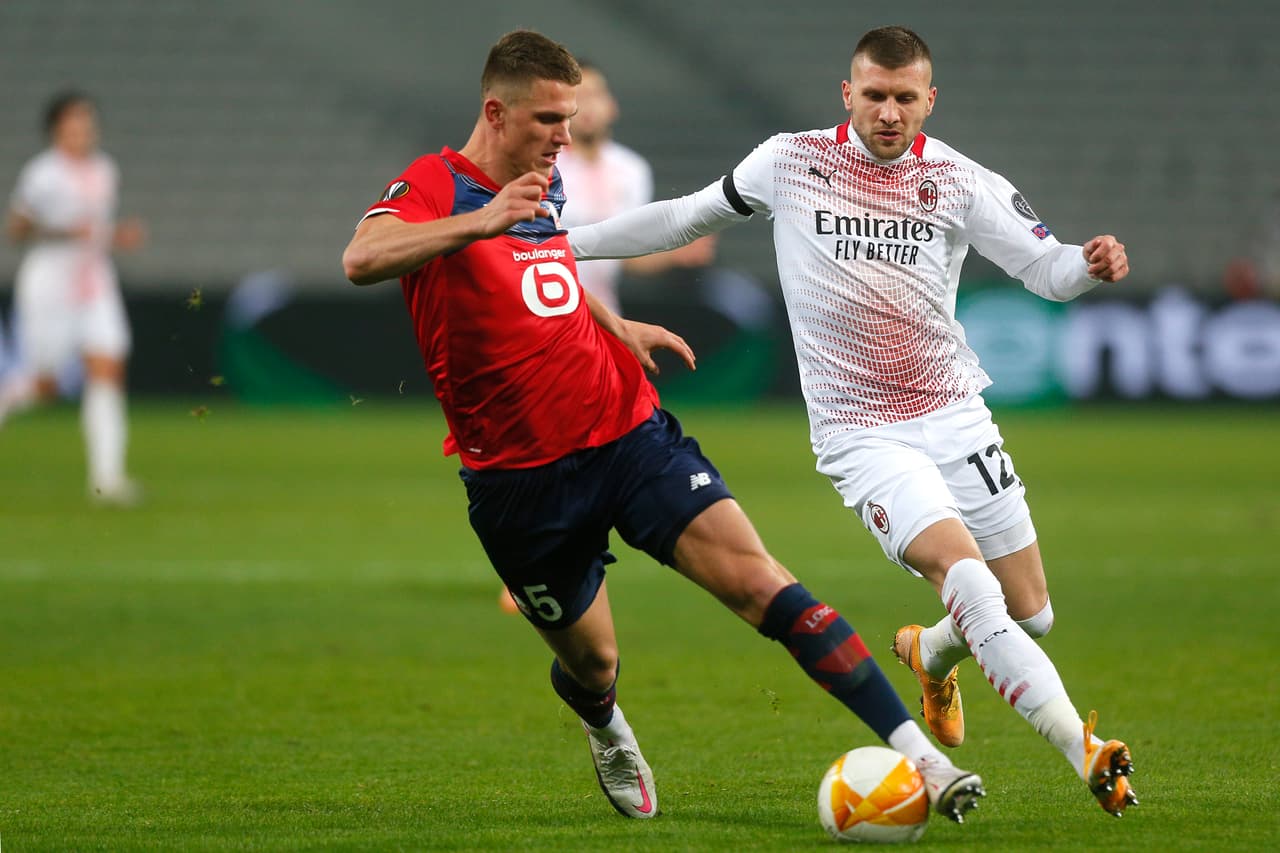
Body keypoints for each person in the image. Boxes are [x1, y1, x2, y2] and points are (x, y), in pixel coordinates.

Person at [342, 29, 983, 824]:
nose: (564, 137)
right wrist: (475, 223)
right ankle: (604, 720)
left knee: (765, 585)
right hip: (520, 480)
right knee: (595, 659)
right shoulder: (438, 183)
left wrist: (612, 325)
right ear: (495, 112)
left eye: (570, 117)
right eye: (547, 119)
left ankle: (924, 757)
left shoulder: (546, 183)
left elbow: (540, 273)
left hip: (628, 432)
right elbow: (363, 257)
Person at [569, 25, 1138, 817]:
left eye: (906, 98)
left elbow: (1046, 267)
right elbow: (682, 218)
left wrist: (1087, 262)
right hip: (862, 432)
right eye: (875, 95)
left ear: (929, 100)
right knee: (967, 577)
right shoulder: (792, 161)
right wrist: (558, 239)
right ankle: (1086, 748)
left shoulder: (959, 179)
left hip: (954, 412)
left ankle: (931, 649)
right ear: (848, 94)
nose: (890, 112)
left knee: (1030, 612)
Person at [1, 91, 146, 505]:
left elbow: (95, 230)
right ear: (57, 129)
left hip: (95, 281)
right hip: (51, 283)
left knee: (108, 366)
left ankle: (108, 479)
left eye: (87, 121)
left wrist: (116, 236)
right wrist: (67, 233)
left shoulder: (105, 169)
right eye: (74, 122)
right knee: (45, 385)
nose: (83, 129)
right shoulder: (43, 174)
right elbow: (16, 231)